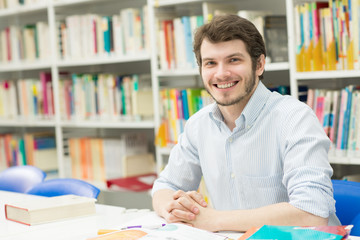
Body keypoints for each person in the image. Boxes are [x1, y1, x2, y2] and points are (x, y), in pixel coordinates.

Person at [151, 14, 340, 232]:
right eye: (210, 63)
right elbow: (165, 187)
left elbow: (312, 214)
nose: (221, 74)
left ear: (259, 65)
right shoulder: (198, 125)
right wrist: (174, 208)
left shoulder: (295, 119)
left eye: (234, 60)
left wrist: (214, 220)